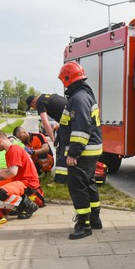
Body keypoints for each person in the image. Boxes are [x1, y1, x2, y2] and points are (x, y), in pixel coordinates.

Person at [55, 62, 103, 240]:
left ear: (68, 79)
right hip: (90, 150)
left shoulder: (79, 98)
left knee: (78, 187)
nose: (64, 84)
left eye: (64, 80)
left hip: (82, 152)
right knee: (88, 183)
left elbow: (81, 128)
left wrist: (73, 153)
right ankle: (94, 219)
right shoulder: (83, 95)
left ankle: (84, 225)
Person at [0, 130, 41, 219]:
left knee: (0, 193)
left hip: (27, 183)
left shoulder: (14, 150)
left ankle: (28, 205)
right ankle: (20, 205)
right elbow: (9, 170)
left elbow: (12, 172)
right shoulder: (11, 150)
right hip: (21, 180)